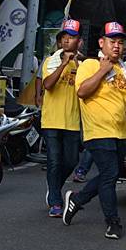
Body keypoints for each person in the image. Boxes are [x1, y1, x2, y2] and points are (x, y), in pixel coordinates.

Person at [62, 22, 126, 240]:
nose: (117, 46)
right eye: (112, 42)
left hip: (119, 133)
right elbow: (82, 91)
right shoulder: (90, 64)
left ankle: (77, 200)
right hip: (97, 132)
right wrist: (102, 70)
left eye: (120, 42)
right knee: (109, 175)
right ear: (102, 43)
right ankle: (113, 222)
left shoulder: (122, 70)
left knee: (112, 174)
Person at [41, 20, 83, 218]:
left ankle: (54, 186)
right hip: (51, 121)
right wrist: (64, 64)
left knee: (72, 161)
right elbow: (48, 85)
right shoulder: (51, 61)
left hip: (73, 121)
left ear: (79, 41)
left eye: (72, 37)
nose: (67, 40)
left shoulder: (82, 65)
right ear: (59, 42)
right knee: (54, 161)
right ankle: (56, 200)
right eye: (64, 37)